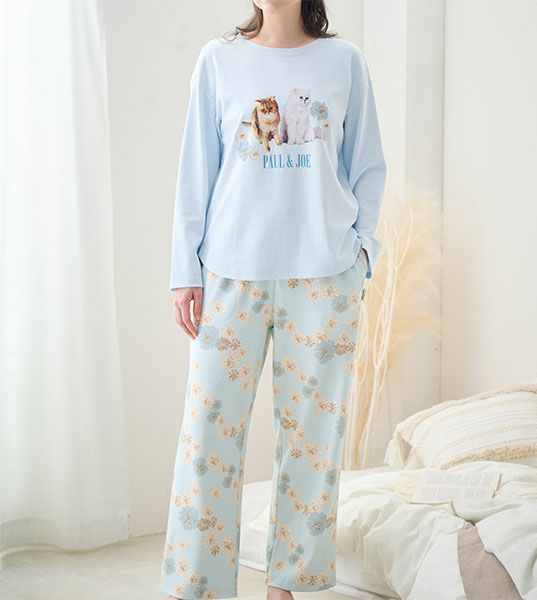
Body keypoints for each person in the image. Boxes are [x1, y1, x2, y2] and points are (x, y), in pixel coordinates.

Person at [160, 1, 386, 599]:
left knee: (311, 443)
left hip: (325, 277)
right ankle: (198, 586)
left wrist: (363, 252)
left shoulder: (344, 61)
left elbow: (367, 166)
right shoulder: (218, 60)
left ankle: (287, 586)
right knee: (208, 436)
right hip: (230, 274)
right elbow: (195, 171)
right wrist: (185, 271)